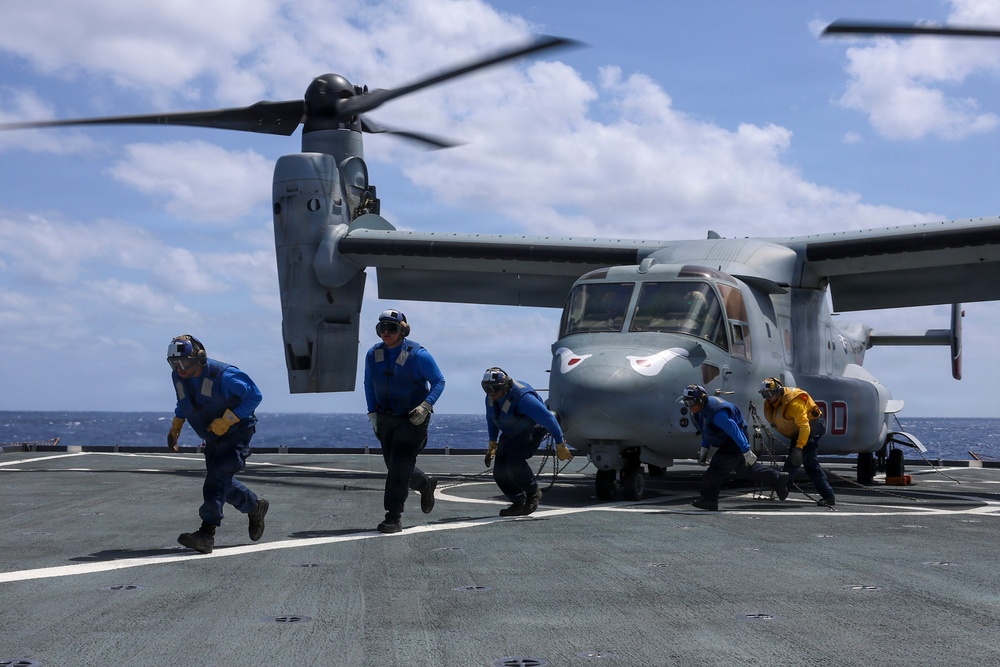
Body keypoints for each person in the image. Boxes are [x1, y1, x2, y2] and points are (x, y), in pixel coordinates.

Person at [166, 335, 268, 554]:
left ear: (199, 358)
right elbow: (184, 400)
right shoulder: (179, 376)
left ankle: (206, 533)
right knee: (221, 482)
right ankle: (254, 506)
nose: (180, 369)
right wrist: (177, 425)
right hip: (212, 434)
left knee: (217, 477)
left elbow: (255, 396)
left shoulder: (225, 376)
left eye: (184, 363)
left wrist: (228, 420)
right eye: (174, 364)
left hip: (237, 432)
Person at [364, 309, 445, 534]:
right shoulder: (373, 354)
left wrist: (426, 405)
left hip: (412, 420)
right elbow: (369, 384)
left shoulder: (419, 355)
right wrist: (372, 413)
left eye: (391, 328)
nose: (386, 332)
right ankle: (425, 484)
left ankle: (393, 517)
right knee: (394, 465)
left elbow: (439, 381)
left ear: (403, 330)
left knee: (398, 468)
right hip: (386, 418)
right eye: (382, 328)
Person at [682, 384, 789, 511]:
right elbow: (706, 429)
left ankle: (709, 500)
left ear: (702, 399)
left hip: (735, 440)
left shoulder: (718, 414)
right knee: (745, 469)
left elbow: (735, 431)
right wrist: (704, 449)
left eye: (692, 403)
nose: (690, 407)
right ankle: (777, 479)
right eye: (687, 403)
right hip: (730, 440)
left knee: (717, 467)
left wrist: (746, 451)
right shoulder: (700, 410)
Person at [482, 367, 573, 516]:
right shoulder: (491, 398)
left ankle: (533, 493)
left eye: (495, 388)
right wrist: (492, 443)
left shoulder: (523, 398)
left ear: (505, 385)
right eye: (487, 388)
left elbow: (549, 419)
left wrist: (560, 444)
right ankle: (518, 501)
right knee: (499, 471)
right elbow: (491, 419)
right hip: (511, 430)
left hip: (531, 428)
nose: (491, 392)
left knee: (514, 460)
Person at [760, 377, 836, 507]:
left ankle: (784, 486)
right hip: (799, 430)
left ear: (779, 391)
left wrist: (799, 447)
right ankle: (828, 496)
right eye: (764, 395)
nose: (767, 397)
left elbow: (805, 426)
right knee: (811, 465)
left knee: (794, 459)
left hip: (813, 425)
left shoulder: (794, 403)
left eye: (769, 394)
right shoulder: (772, 403)